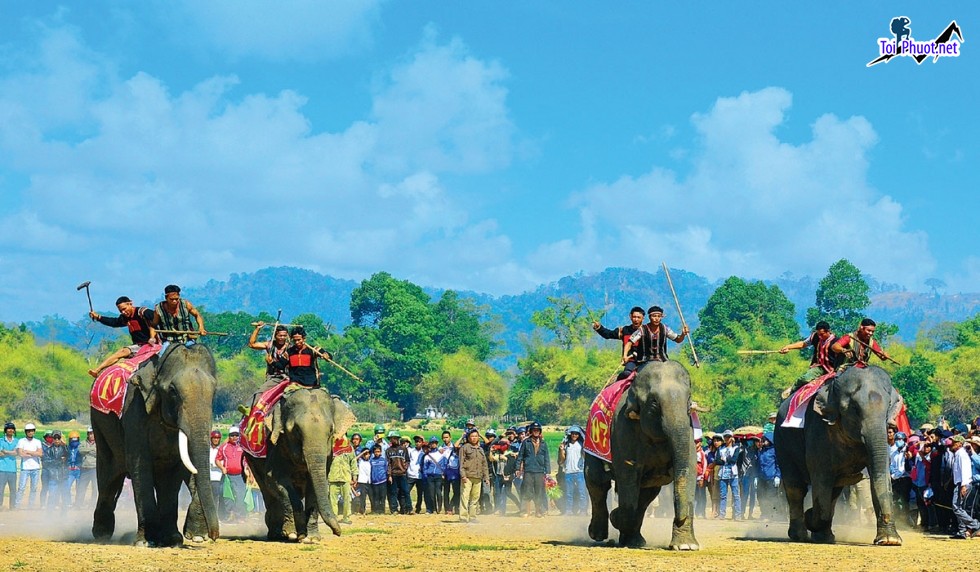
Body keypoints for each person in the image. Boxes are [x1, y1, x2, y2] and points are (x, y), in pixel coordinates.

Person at [88, 296, 158, 377]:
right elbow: (114, 322)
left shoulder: (142, 312)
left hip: (150, 345)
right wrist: (98, 317)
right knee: (121, 355)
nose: (123, 312)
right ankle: (97, 371)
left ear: (130, 303)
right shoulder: (125, 318)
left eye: (124, 309)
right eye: (121, 311)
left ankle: (98, 370)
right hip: (138, 346)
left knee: (123, 351)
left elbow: (156, 320)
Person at [779, 321, 835, 399]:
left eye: (822, 334)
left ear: (828, 331)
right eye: (818, 334)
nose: (820, 337)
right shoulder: (815, 336)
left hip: (833, 369)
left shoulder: (836, 341)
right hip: (819, 367)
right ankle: (792, 390)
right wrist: (788, 347)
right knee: (806, 378)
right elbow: (803, 344)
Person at [622, 306, 689, 367]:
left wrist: (683, 334)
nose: (656, 318)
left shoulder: (665, 329)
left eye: (659, 316)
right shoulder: (642, 330)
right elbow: (629, 343)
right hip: (645, 362)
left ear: (661, 317)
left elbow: (678, 340)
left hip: (663, 361)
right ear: (650, 317)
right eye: (654, 316)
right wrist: (625, 355)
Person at [592, 306, 645, 379]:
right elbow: (608, 334)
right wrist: (599, 328)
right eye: (634, 317)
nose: (636, 319)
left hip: (645, 361)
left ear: (643, 318)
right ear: (630, 317)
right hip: (630, 362)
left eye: (638, 317)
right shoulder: (624, 330)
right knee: (626, 374)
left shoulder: (647, 331)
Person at [517, 421, 551, 518]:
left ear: (540, 431)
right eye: (534, 430)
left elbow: (546, 458)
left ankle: (538, 511)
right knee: (527, 491)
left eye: (537, 430)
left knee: (539, 492)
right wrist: (517, 468)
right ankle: (527, 511)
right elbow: (520, 456)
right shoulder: (526, 442)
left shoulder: (543, 443)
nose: (535, 432)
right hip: (528, 470)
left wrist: (548, 471)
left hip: (540, 471)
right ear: (531, 431)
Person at [949, 435, 979, 539]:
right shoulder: (958, 454)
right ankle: (962, 531)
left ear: (959, 444)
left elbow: (965, 470)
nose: (951, 444)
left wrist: (963, 485)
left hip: (963, 484)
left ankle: (975, 525)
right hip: (960, 483)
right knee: (960, 507)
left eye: (954, 442)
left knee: (956, 507)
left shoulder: (961, 455)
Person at [215, 426, 246, 523]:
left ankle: (239, 516)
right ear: (229, 436)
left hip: (239, 476)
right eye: (232, 435)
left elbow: (246, 460)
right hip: (228, 476)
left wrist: (247, 470)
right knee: (228, 497)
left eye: (237, 435)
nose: (235, 437)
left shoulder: (242, 447)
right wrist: (222, 468)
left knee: (241, 496)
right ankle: (229, 515)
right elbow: (217, 460)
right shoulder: (224, 447)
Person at [459, 429, 489, 523]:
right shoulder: (464, 448)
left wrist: (486, 477)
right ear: (468, 438)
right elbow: (461, 463)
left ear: (478, 437)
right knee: (465, 497)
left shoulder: (480, 449)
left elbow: (484, 464)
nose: (474, 438)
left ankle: (472, 516)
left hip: (478, 477)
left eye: (476, 436)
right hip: (467, 476)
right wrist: (463, 475)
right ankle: (463, 516)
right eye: (472, 436)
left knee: (475, 498)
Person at [248, 322, 290, 389]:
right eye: (280, 336)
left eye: (284, 336)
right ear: (275, 336)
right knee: (261, 394)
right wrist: (257, 329)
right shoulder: (269, 345)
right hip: (272, 377)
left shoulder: (290, 347)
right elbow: (252, 344)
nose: (282, 338)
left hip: (287, 377)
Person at [558, 425, 587, 516]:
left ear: (579, 435)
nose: (574, 435)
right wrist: (561, 450)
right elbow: (562, 460)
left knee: (582, 492)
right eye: (573, 433)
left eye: (576, 434)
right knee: (569, 493)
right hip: (568, 472)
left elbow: (584, 456)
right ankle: (568, 510)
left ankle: (583, 510)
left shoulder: (581, 445)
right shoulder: (566, 445)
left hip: (579, 472)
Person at [328, 435, 357, 525]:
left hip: (345, 477)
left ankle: (346, 517)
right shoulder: (330, 447)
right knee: (333, 500)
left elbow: (353, 461)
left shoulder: (349, 448)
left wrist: (355, 475)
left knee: (347, 499)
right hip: (333, 477)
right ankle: (334, 518)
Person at [715, 430, 742, 520]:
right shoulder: (720, 448)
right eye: (725, 437)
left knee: (736, 495)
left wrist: (724, 459)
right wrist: (725, 460)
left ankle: (738, 514)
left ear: (731, 438)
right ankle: (722, 514)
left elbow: (734, 460)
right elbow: (717, 461)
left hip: (733, 474)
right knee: (723, 495)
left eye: (728, 436)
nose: (726, 438)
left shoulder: (736, 448)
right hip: (723, 474)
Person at [15, 423, 43, 509]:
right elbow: (20, 453)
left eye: (32, 431)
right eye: (28, 431)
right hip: (25, 468)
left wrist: (28, 451)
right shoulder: (21, 441)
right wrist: (34, 453)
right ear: (26, 432)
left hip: (36, 468)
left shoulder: (37, 441)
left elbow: (40, 453)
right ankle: (17, 505)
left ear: (34, 432)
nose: (30, 432)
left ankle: (31, 506)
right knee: (21, 487)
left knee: (34, 488)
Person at [489, 434, 518, 516]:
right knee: (498, 493)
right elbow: (491, 459)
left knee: (507, 493)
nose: (500, 446)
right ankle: (500, 510)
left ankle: (519, 505)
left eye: (503, 444)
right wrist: (491, 451)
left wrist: (506, 458)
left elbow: (512, 463)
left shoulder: (511, 453)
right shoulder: (499, 454)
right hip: (499, 476)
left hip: (507, 476)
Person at [756, 432, 781, 521]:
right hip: (761, 478)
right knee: (760, 496)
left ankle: (773, 514)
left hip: (771, 478)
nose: (763, 441)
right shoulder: (761, 451)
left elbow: (778, 464)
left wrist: (778, 476)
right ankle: (764, 513)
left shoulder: (774, 451)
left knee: (771, 496)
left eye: (765, 440)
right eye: (762, 440)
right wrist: (756, 476)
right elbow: (758, 464)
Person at [384, 431, 411, 514]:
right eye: (392, 438)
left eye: (395, 438)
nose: (394, 440)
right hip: (393, 474)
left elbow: (407, 461)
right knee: (393, 492)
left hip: (402, 474)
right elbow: (388, 464)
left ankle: (409, 509)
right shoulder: (388, 450)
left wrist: (404, 469)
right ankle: (394, 509)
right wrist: (389, 475)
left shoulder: (403, 449)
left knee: (406, 491)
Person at [42, 431, 69, 512]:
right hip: (53, 477)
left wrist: (65, 445)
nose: (57, 440)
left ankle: (64, 515)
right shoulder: (48, 450)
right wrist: (59, 460)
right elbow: (46, 462)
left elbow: (70, 457)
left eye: (58, 438)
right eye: (55, 438)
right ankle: (49, 515)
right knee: (52, 496)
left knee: (64, 497)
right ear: (53, 439)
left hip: (63, 476)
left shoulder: (65, 449)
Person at [421, 437, 445, 514]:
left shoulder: (441, 454)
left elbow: (444, 465)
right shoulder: (427, 456)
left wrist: (443, 473)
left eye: (435, 443)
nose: (433, 444)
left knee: (438, 492)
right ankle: (434, 509)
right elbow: (425, 467)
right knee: (431, 493)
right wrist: (426, 475)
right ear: (430, 444)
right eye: (432, 443)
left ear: (437, 444)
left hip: (438, 475)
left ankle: (439, 508)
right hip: (430, 476)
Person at [75, 427, 98, 509]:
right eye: (89, 433)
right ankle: (78, 504)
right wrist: (92, 449)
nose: (91, 435)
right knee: (81, 487)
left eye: (92, 433)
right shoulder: (83, 442)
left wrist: (87, 450)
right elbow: (81, 450)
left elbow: (98, 452)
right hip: (84, 469)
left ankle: (93, 505)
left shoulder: (99, 443)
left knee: (95, 488)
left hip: (95, 469)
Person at [440, 431, 461, 515]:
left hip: (456, 472)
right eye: (444, 437)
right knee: (446, 492)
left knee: (457, 492)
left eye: (447, 437)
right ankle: (447, 509)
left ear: (450, 438)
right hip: (446, 472)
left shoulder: (456, 447)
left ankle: (454, 507)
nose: (445, 439)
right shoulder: (440, 448)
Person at [0, 422, 19, 509]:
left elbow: (17, 453)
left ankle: (12, 507)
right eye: (9, 428)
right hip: (2, 469)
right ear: (5, 430)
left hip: (13, 469)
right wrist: (12, 452)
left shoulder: (17, 441)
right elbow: (0, 454)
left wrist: (6, 451)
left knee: (13, 490)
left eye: (12, 428)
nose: (10, 430)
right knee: (0, 490)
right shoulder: (1, 440)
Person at [407, 435, 425, 515]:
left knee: (420, 494)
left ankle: (418, 508)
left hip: (420, 476)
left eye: (419, 442)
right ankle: (408, 508)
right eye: (416, 442)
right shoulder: (411, 451)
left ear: (422, 442)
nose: (417, 443)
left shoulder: (424, 451)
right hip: (411, 474)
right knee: (406, 492)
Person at [368, 444, 388, 514]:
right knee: (376, 497)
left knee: (382, 497)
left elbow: (386, 469)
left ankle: (382, 510)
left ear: (381, 452)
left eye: (378, 451)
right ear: (373, 452)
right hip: (374, 482)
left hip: (383, 481)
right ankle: (376, 510)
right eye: (376, 452)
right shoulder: (371, 461)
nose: (377, 453)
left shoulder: (383, 460)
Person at [207, 430, 224, 517]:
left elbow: (223, 462)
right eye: (214, 438)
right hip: (207, 477)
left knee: (216, 497)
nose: (216, 440)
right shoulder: (207, 449)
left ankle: (215, 515)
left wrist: (215, 464)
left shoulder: (221, 449)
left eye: (218, 438)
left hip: (217, 477)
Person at [65, 431, 82, 508]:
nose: (74, 442)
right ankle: (68, 502)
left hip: (79, 470)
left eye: (75, 440)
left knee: (79, 488)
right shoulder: (67, 448)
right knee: (67, 486)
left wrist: (79, 466)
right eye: (72, 440)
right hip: (70, 471)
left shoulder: (81, 447)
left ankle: (78, 503)